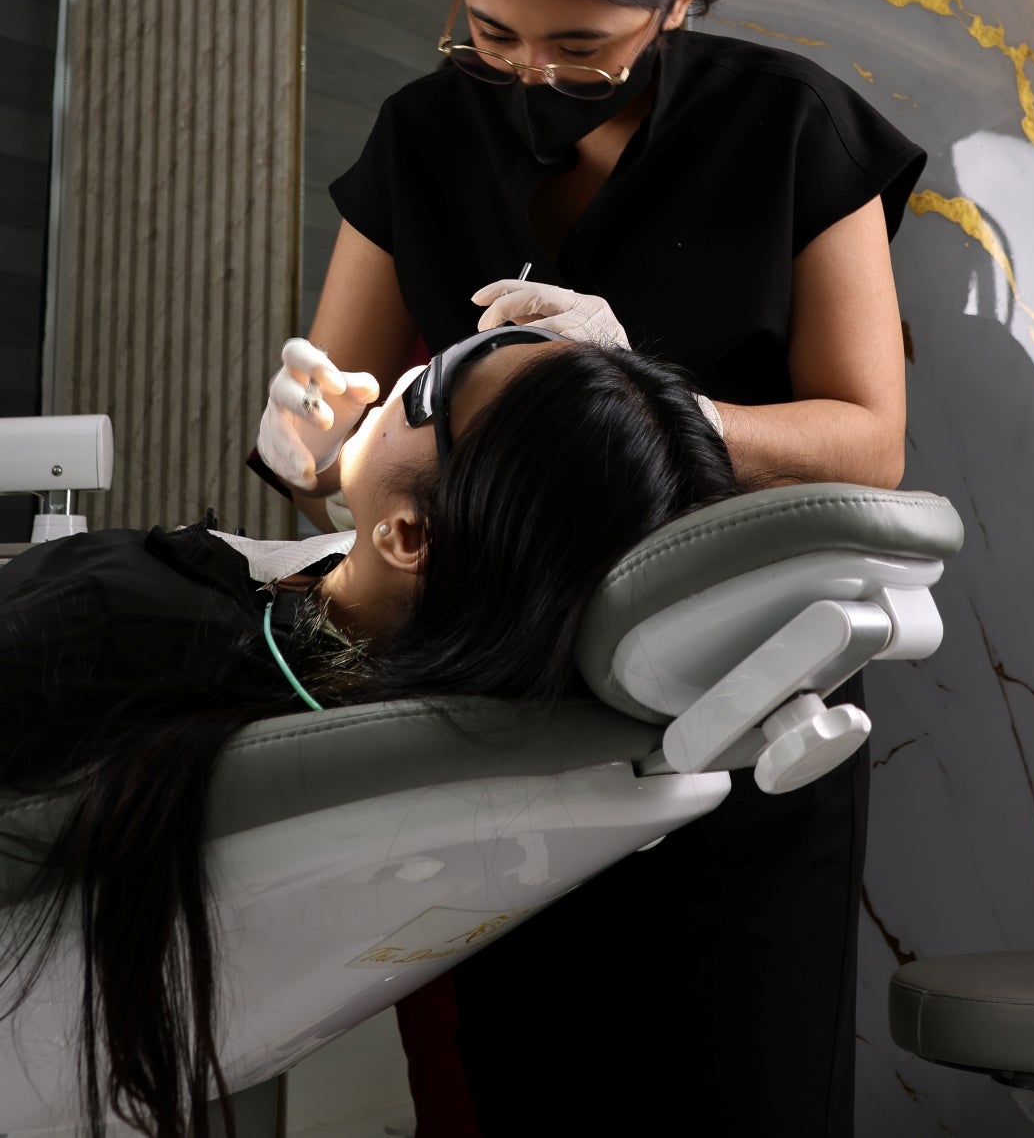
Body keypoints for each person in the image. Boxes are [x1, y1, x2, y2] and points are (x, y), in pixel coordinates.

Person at [255, 0, 926, 1137]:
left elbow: (868, 438)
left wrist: (650, 397)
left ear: (677, 0)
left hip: (735, 718)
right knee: (508, 1090)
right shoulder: (424, 136)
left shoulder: (790, 129)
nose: (528, 79)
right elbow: (344, 432)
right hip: (489, 720)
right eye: (492, 34)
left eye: (583, 47)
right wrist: (305, 440)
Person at [0, 331, 734, 1138]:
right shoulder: (392, 671)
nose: (415, 368)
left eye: (434, 389)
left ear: (409, 537)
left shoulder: (117, 618)